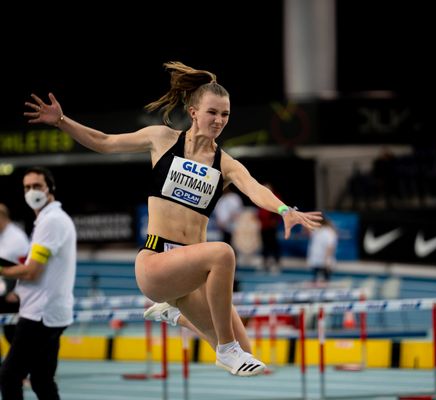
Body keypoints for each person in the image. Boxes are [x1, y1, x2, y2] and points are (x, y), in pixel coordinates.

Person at [25, 61, 322, 377]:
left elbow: (255, 189)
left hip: (191, 275)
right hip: (156, 262)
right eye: (212, 112)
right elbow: (104, 142)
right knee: (223, 254)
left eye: (225, 115)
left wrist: (284, 210)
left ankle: (174, 315)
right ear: (194, 112)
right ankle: (223, 348)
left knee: (250, 357)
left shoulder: (226, 164)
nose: (219, 120)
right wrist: (61, 121)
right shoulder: (162, 139)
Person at [0, 166, 77, 399]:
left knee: (9, 376)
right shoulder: (49, 219)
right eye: (27, 187)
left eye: (37, 186)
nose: (31, 191)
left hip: (40, 315)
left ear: (49, 188)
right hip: (50, 312)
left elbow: (31, 272)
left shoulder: (51, 221)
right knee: (42, 380)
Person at [0, 203, 30, 346]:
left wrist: (17, 292)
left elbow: (27, 268)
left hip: (13, 294)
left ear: (2, 217)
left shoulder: (17, 239)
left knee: (12, 335)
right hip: (2, 290)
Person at [257, 182, 282, 273]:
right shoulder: (260, 197)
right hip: (263, 226)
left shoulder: (275, 197)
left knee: (273, 245)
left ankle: (276, 264)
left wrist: (275, 220)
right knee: (264, 246)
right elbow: (260, 211)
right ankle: (265, 263)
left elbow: (280, 208)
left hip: (271, 226)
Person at [307, 216, 338, 283]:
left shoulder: (328, 232)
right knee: (315, 280)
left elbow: (330, 246)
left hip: (324, 259)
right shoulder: (316, 230)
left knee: (326, 280)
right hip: (315, 258)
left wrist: (327, 259)